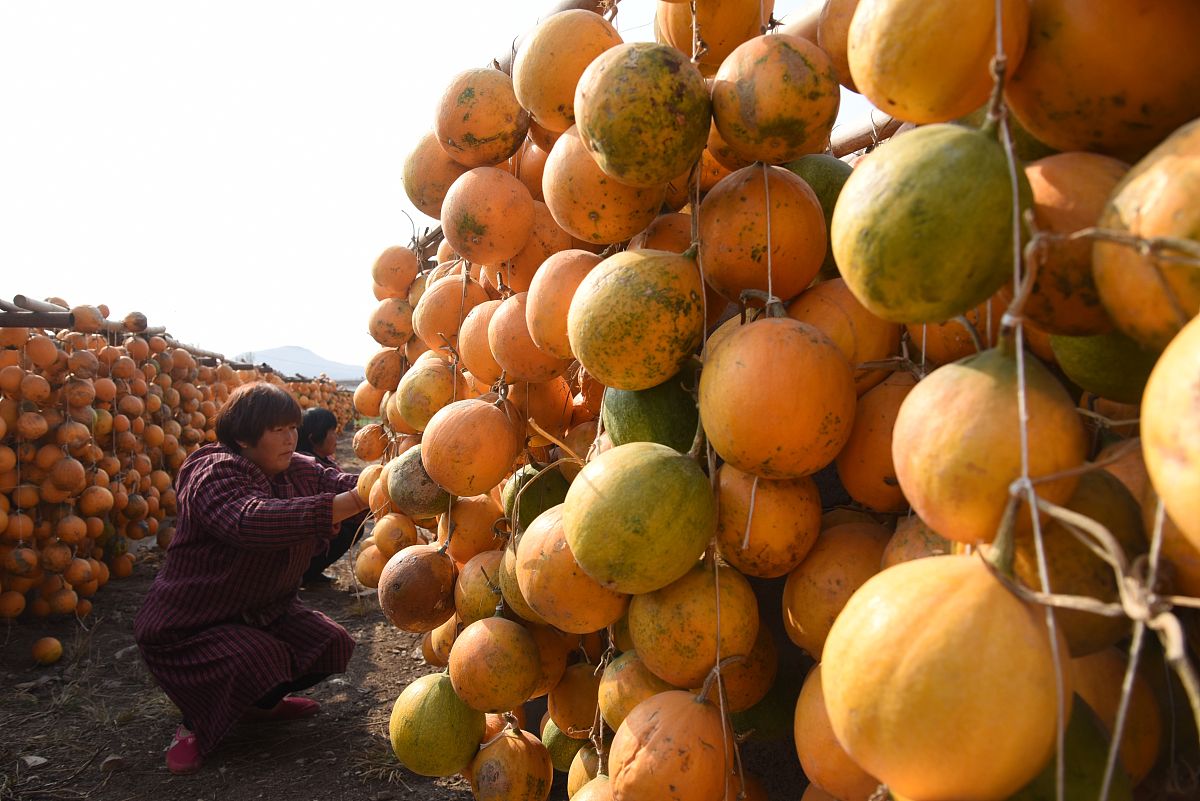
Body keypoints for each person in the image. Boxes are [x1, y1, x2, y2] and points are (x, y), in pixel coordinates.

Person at [134, 382, 369, 775]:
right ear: (243, 436)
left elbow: (342, 483)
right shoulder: (212, 472)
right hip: (189, 625)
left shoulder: (295, 466)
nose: (290, 438)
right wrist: (350, 504)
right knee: (259, 660)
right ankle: (193, 722)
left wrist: (388, 481)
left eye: (292, 428)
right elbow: (249, 520)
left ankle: (258, 706)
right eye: (277, 430)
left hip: (262, 612)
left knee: (330, 643)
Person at [296, 407, 365, 585]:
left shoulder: (325, 460)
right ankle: (304, 573)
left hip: (326, 527)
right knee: (348, 531)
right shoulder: (305, 464)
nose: (336, 437)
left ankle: (311, 571)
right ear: (313, 438)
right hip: (313, 532)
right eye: (331, 432)